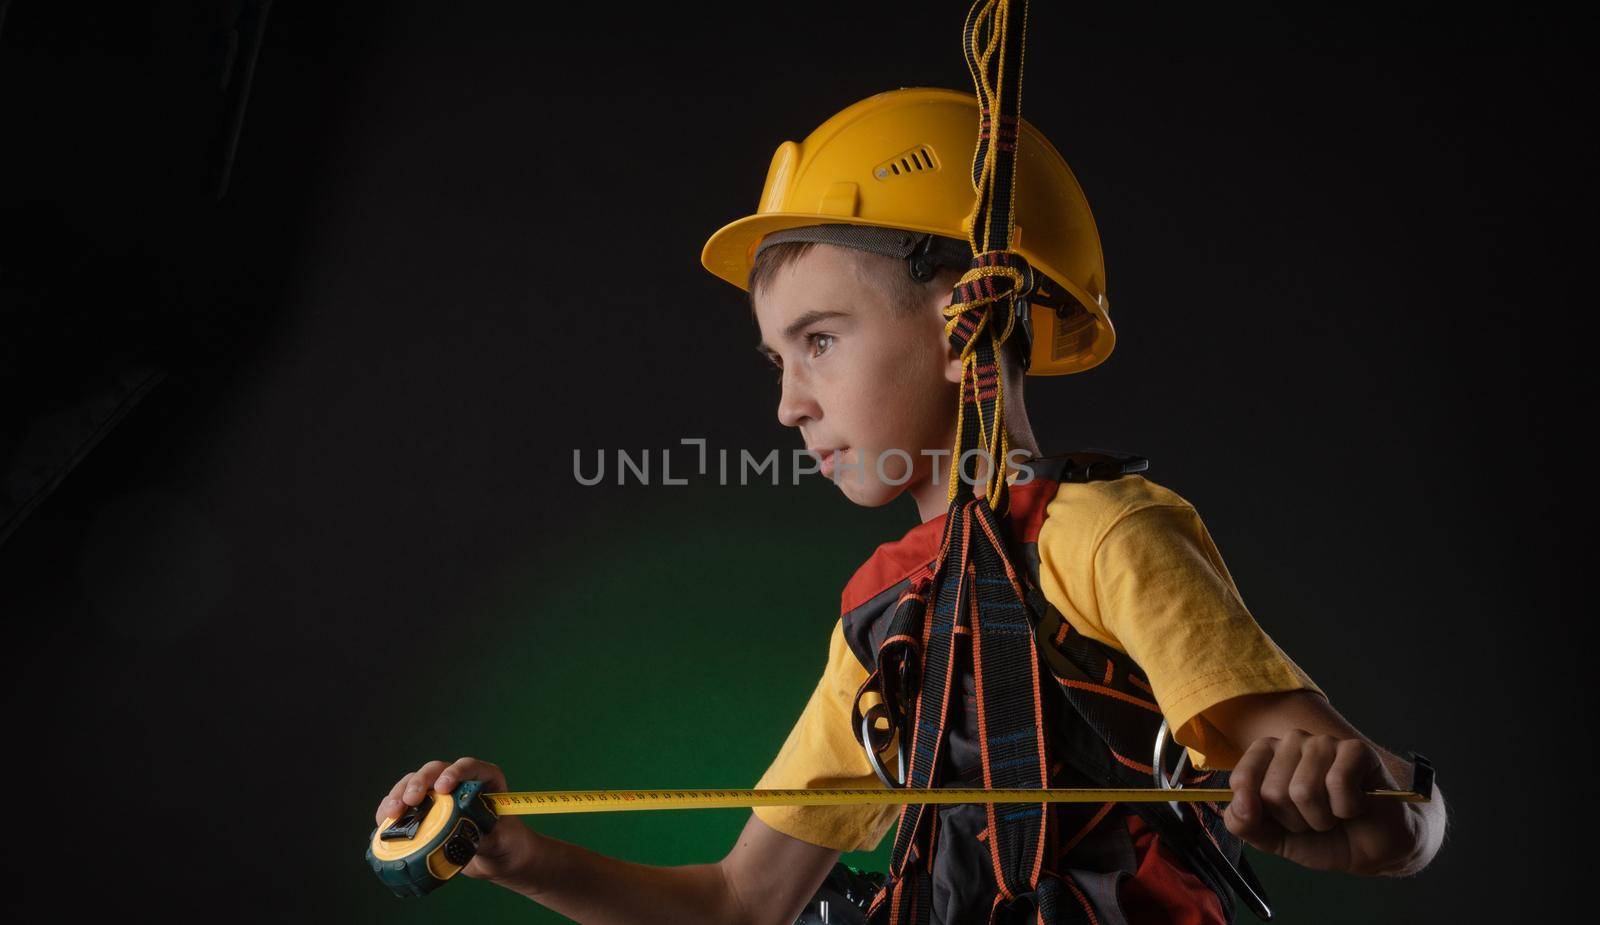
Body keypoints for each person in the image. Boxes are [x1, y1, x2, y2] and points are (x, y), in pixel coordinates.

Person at [369, 87, 1448, 924]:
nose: (789, 403)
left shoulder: (1104, 535)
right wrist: (508, 848)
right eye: (777, 358)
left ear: (960, 318)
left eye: (821, 341)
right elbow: (742, 904)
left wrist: (1374, 811)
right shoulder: (885, 614)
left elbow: (1397, 819)